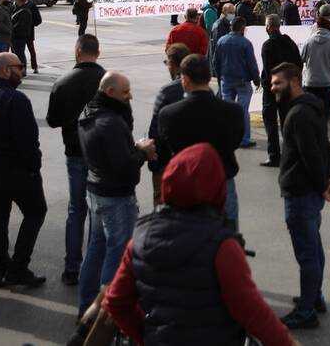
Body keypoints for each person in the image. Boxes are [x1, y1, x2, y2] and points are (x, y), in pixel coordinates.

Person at [104, 143, 294, 346]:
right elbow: (252, 311)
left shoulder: (140, 240)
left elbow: (115, 302)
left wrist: (144, 336)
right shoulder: (223, 247)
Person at [263, 62, 330, 330]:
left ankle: (306, 311)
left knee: (307, 254)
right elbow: (326, 147)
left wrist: (322, 185)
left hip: (301, 193)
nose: (273, 88)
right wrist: (327, 179)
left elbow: (312, 154)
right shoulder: (311, 107)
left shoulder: (298, 115)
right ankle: (314, 296)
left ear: (294, 81)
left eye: (277, 83)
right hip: (310, 192)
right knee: (314, 248)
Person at [76, 71, 154, 313]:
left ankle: (87, 306)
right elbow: (123, 165)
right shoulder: (109, 122)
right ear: (110, 92)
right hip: (115, 195)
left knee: (96, 248)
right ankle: (107, 313)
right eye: (125, 92)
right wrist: (142, 152)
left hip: (96, 189)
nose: (130, 96)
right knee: (118, 252)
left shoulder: (90, 112)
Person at [0, 52, 48, 288]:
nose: (22, 71)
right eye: (19, 67)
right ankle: (18, 267)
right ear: (6, 70)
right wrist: (34, 167)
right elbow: (27, 141)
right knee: (35, 212)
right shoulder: (16, 99)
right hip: (14, 169)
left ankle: (1, 267)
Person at [158, 54, 246, 228]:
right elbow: (235, 140)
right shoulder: (233, 111)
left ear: (185, 80)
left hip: (185, 182)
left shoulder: (169, 114)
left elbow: (165, 147)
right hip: (222, 179)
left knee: (188, 236)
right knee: (226, 233)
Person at [46, 33, 106, 285]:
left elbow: (52, 120)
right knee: (98, 211)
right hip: (102, 155)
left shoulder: (63, 81)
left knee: (76, 209)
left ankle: (72, 267)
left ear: (77, 51)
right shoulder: (109, 80)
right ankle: (95, 267)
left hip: (74, 151)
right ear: (98, 53)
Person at [146, 43, 191, 205]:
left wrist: (154, 162)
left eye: (167, 63)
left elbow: (155, 131)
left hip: (168, 161)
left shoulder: (167, 92)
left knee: (163, 206)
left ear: (173, 64)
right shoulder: (204, 90)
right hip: (194, 162)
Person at [259, 14, 302, 168]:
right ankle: (291, 155)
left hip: (272, 89)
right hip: (287, 88)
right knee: (287, 122)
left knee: (270, 123)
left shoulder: (268, 45)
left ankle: (274, 156)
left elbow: (268, 69)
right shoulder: (289, 42)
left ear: (270, 27)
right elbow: (298, 63)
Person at [215, 16, 262, 147]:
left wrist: (219, 78)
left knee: (227, 110)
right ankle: (244, 139)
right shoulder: (245, 43)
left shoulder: (221, 41)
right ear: (242, 28)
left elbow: (216, 62)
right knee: (243, 110)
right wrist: (256, 79)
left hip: (226, 79)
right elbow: (251, 64)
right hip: (242, 80)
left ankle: (227, 136)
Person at [10, 0, 35, 69]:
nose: (14, 2)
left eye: (15, 0)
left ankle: (22, 70)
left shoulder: (24, 11)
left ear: (19, 1)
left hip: (19, 37)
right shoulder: (18, 9)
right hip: (16, 37)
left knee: (20, 55)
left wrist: (11, 29)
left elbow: (21, 25)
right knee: (17, 54)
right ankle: (19, 69)